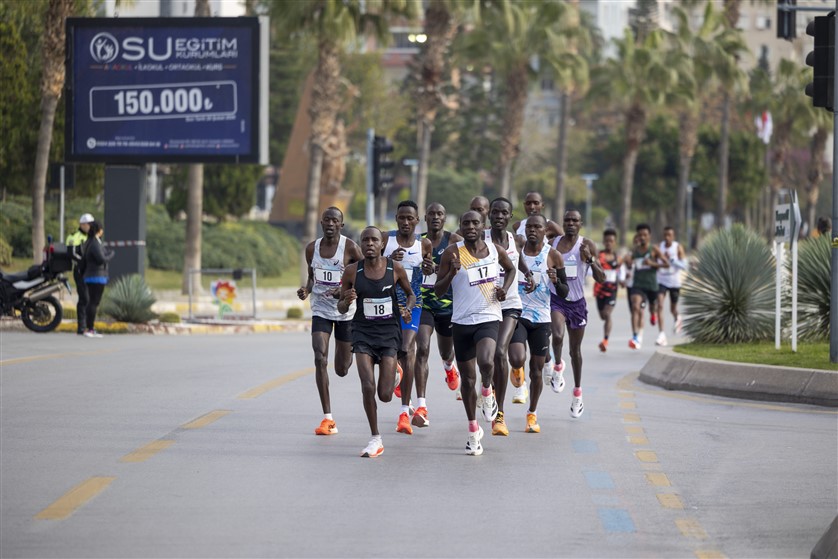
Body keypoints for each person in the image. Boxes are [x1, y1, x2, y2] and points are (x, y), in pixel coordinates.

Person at [435, 210, 517, 455]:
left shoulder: (495, 250)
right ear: (460, 226)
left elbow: (511, 270)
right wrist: (451, 272)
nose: (470, 226)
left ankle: (488, 391)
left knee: (486, 361)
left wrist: (504, 288)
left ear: (483, 225)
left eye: (475, 223)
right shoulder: (452, 253)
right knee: (468, 379)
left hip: (488, 317)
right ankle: (473, 432)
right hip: (461, 322)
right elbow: (438, 291)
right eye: (466, 223)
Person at [337, 227, 415, 458]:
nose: (369, 243)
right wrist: (347, 300)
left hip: (389, 332)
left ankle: (396, 373)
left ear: (382, 244)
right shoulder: (352, 271)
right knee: (367, 385)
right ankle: (375, 438)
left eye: (374, 240)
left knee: (385, 395)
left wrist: (408, 309)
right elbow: (341, 306)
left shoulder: (395, 268)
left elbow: (411, 294)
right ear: (360, 245)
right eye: (365, 240)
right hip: (362, 332)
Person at [297, 207, 363, 436]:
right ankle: (328, 419)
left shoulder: (351, 248)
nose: (330, 224)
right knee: (319, 356)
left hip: (345, 312)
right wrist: (306, 290)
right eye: (327, 220)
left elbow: (366, 273)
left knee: (342, 369)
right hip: (320, 310)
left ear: (341, 225)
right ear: (321, 222)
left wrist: (345, 290)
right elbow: (312, 275)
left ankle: (350, 354)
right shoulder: (312, 248)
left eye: (335, 221)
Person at [508, 215, 568, 433]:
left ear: (546, 231)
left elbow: (564, 292)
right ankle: (517, 374)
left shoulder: (553, 255)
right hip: (518, 313)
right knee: (516, 358)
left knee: (536, 370)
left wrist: (556, 281)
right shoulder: (517, 250)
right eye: (529, 227)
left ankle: (532, 414)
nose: (532, 230)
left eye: (537, 227)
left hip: (542, 319)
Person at [546, 210, 605, 418]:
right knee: (558, 335)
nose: (570, 223)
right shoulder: (553, 244)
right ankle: (558, 366)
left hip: (578, 304)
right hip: (557, 300)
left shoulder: (586, 244)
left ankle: (577, 393)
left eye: (574, 220)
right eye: (567, 220)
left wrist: (589, 260)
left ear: (580, 224)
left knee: (576, 351)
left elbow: (601, 278)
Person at [382, 200, 433, 435]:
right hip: (387, 305)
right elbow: (372, 265)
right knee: (395, 353)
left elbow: (428, 271)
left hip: (413, 304)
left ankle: (404, 412)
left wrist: (428, 268)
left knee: (407, 347)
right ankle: (400, 380)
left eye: (409, 218)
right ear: (396, 218)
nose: (405, 222)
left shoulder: (424, 244)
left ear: (416, 221)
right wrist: (388, 258)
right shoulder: (385, 239)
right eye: (401, 217)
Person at [415, 202, 463, 423]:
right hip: (424, 304)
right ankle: (421, 406)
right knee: (422, 348)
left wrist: (437, 269)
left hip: (447, 305)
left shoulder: (454, 241)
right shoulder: (418, 242)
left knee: (446, 352)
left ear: (445, 219)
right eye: (432, 214)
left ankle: (449, 367)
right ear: (425, 217)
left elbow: (461, 268)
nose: (436, 217)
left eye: (440, 214)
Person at [486, 197, 526, 436]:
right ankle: (488, 390)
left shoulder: (516, 240)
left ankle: (499, 415)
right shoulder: (479, 239)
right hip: (483, 306)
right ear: (489, 215)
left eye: (504, 213)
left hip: (509, 303)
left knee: (501, 352)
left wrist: (528, 277)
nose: (499, 216)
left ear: (510, 217)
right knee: (486, 359)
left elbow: (518, 264)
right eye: (495, 212)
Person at [624, 224, 669, 350]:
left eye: (645, 235)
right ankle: (635, 336)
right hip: (638, 285)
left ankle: (655, 319)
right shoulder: (634, 250)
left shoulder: (654, 249)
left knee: (654, 308)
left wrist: (652, 263)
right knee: (635, 306)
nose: (642, 237)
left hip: (652, 285)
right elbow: (628, 264)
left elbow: (666, 264)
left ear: (649, 236)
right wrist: (628, 261)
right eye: (640, 235)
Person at [81, 221, 114, 338]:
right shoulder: (95, 243)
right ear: (98, 230)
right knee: (93, 303)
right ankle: (90, 329)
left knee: (92, 302)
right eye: (102, 229)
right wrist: (111, 255)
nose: (102, 231)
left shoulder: (90, 242)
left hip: (91, 275)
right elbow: (101, 259)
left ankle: (89, 328)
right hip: (97, 276)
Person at [656, 226, 687, 343]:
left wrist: (673, 261)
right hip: (661, 280)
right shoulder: (659, 247)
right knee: (659, 305)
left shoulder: (677, 247)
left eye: (669, 235)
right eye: (665, 235)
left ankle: (677, 318)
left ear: (673, 236)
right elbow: (653, 260)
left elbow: (685, 266)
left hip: (674, 282)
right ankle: (661, 334)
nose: (667, 237)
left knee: (672, 309)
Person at [593, 229, 622, 353]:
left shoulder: (618, 258)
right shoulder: (600, 256)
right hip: (600, 290)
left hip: (612, 291)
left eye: (611, 241)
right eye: (607, 241)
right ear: (604, 242)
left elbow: (621, 273)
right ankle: (605, 339)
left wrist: (623, 280)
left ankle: (605, 340)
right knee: (602, 316)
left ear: (615, 242)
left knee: (607, 314)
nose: (609, 243)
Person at [66, 213, 94, 335]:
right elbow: (72, 254)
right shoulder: (74, 237)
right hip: (80, 271)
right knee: (84, 299)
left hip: (91, 271)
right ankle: (81, 327)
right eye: (88, 224)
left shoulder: (93, 237)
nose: (90, 226)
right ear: (82, 224)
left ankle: (90, 327)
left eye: (91, 224)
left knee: (91, 299)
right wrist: (84, 261)